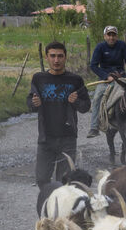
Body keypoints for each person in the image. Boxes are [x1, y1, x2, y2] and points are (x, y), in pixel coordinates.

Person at [30, 41, 90, 188]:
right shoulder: (38, 79)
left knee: (64, 181)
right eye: (52, 56)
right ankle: (49, 202)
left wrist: (76, 102)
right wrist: (34, 103)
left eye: (60, 56)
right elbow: (30, 103)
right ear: (46, 57)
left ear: (65, 57)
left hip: (68, 138)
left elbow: (86, 107)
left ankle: (61, 203)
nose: (56, 60)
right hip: (45, 138)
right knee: (42, 179)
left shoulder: (75, 80)